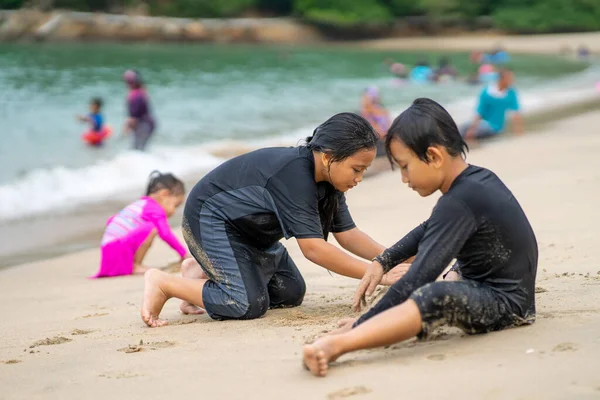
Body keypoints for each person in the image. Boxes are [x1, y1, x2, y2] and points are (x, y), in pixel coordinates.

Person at [302, 98, 538, 377]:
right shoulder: (476, 181)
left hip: (506, 304)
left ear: (434, 157)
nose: (404, 178)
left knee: (432, 294)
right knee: (451, 274)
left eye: (404, 166)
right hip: (502, 288)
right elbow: (430, 228)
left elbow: (420, 277)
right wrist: (383, 261)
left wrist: (361, 323)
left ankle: (339, 345)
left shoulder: (459, 201)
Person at [140, 113, 409, 327]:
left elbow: (349, 235)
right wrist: (377, 274)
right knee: (244, 304)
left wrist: (393, 259)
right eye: (356, 169)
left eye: (364, 170)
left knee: (290, 292)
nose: (359, 178)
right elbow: (314, 249)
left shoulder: (328, 183)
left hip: (253, 234)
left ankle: (200, 271)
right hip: (209, 220)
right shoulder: (295, 176)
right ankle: (166, 283)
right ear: (328, 157)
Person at [91, 171, 187, 278]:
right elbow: (165, 233)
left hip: (108, 258)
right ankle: (135, 265)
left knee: (146, 227)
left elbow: (111, 220)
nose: (174, 212)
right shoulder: (155, 209)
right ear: (164, 194)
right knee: (153, 227)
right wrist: (183, 254)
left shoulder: (139, 205)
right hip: (118, 253)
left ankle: (132, 264)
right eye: (176, 205)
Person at [461, 68, 523, 140]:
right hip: (482, 123)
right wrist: (472, 128)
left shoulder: (511, 93)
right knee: (461, 128)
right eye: (509, 78)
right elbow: (479, 112)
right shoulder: (487, 92)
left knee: (471, 131)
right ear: (501, 79)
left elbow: (516, 113)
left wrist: (519, 133)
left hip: (495, 127)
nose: (512, 80)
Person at [123, 70, 156, 151]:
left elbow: (134, 115)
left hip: (144, 125)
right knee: (140, 149)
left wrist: (127, 127)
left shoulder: (135, 95)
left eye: (128, 81)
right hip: (147, 124)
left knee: (137, 149)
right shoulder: (141, 92)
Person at [360, 87, 391, 156]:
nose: (362, 99)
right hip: (384, 142)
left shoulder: (368, 111)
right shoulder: (383, 110)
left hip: (379, 144)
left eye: (364, 97)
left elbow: (379, 132)